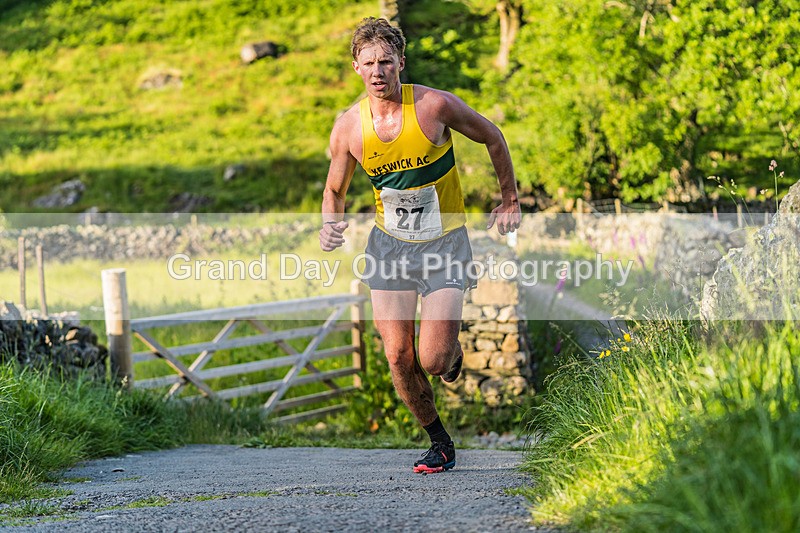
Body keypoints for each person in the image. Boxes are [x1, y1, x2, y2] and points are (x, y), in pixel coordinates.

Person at [320, 17, 520, 474]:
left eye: (386, 62)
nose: (377, 71)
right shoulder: (348, 128)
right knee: (397, 355)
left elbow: (492, 136)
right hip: (388, 248)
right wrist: (330, 224)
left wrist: (510, 198)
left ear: (400, 63)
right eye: (368, 63)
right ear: (356, 67)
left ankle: (449, 354)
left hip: (444, 243)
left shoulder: (433, 106)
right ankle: (440, 442)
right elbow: (335, 190)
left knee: (431, 358)